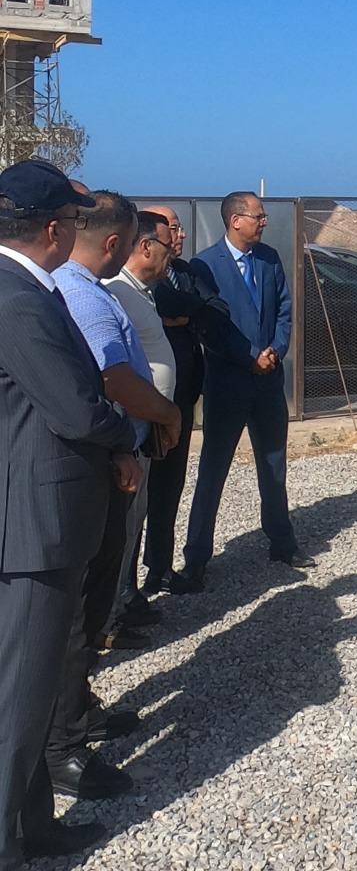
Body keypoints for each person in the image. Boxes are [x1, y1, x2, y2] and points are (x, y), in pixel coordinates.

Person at [0, 161, 136, 869]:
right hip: (33, 526)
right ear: (53, 229)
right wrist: (124, 438)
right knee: (22, 700)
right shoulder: (17, 299)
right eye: (75, 221)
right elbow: (74, 407)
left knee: (28, 691)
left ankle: (33, 829)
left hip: (36, 517)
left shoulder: (26, 288)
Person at [47, 192, 180, 802]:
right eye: (129, 241)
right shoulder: (81, 294)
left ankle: (78, 709)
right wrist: (165, 413)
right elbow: (112, 378)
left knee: (94, 599)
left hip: (113, 458)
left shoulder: (87, 289)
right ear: (112, 242)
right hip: (98, 466)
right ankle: (63, 744)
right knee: (82, 608)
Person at [182, 191, 312, 588]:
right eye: (258, 216)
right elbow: (209, 327)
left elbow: (285, 310)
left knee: (273, 466)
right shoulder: (205, 265)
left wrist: (275, 350)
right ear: (235, 220)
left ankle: (282, 542)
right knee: (213, 470)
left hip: (268, 383)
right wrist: (250, 356)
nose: (264, 222)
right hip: (227, 385)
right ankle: (197, 557)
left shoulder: (269, 259)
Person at [140, 205, 237, 595]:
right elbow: (165, 304)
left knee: (169, 487)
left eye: (180, 229)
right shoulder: (133, 280)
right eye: (172, 230)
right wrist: (185, 309)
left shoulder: (186, 272)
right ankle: (124, 585)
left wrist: (187, 312)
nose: (179, 236)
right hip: (144, 403)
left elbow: (218, 309)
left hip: (181, 401)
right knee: (138, 495)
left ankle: (159, 567)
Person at [103, 211, 177, 627]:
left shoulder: (141, 291)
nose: (172, 252)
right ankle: (110, 612)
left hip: (147, 428)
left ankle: (125, 598)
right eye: (166, 245)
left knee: (136, 519)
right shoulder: (117, 291)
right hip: (129, 428)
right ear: (146, 246)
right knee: (123, 521)